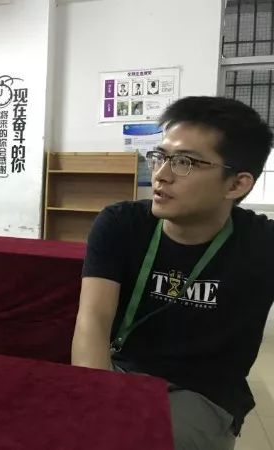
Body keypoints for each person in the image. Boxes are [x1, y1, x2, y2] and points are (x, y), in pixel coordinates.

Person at [71, 96, 274, 450]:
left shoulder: (262, 244)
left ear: (236, 185)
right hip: (118, 371)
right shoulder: (121, 224)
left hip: (203, 393)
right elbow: (93, 319)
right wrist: (98, 400)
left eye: (185, 163)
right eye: (161, 157)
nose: (161, 175)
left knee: (153, 440)